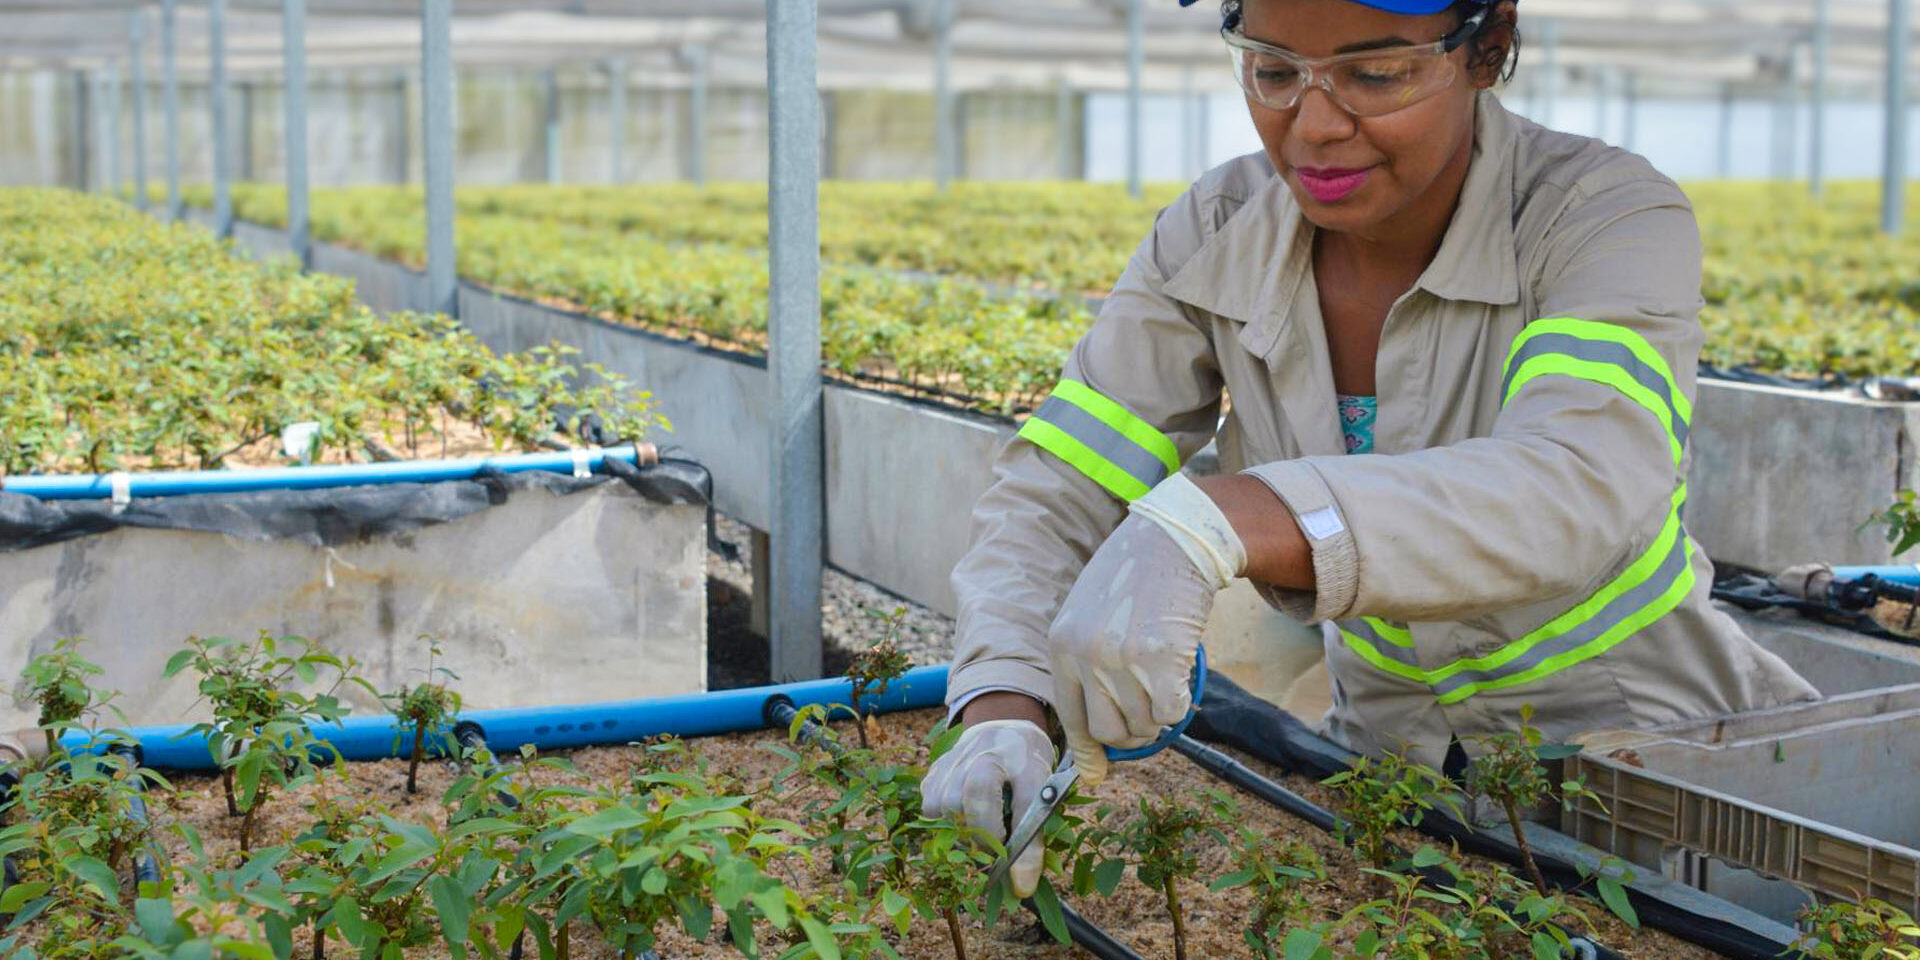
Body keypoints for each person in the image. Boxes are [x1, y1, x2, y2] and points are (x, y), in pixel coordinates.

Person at [918, 0, 1819, 898]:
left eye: (1375, 74)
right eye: (1273, 71)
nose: (1313, 126)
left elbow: (1576, 488)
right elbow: (1060, 485)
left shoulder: (1600, 216)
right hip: (1390, 761)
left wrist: (1224, 519)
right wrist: (1005, 699)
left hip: (1645, 751)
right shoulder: (1214, 232)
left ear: (1488, 48)